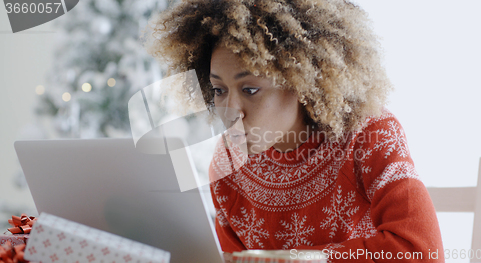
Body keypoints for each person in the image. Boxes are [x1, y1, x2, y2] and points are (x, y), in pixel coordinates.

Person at [142, 0, 444, 262]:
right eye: (219, 90)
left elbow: (422, 252)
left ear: (301, 83)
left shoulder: (370, 134)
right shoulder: (228, 165)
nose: (230, 111)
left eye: (250, 89)